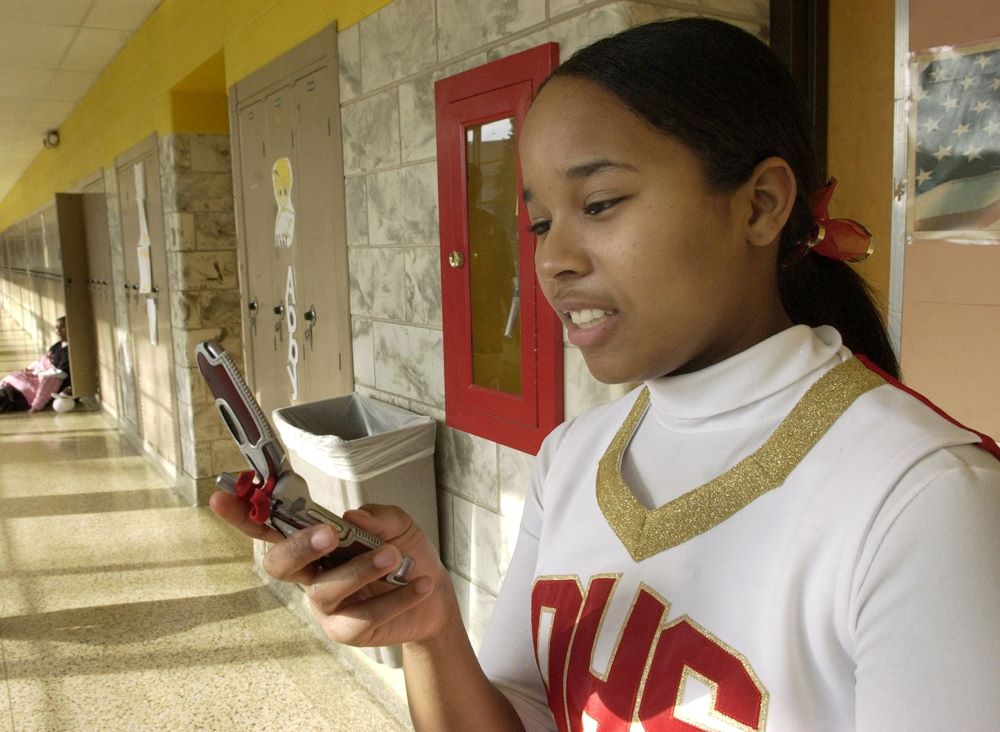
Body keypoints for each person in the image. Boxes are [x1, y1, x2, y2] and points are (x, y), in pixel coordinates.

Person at [211, 18, 1000, 730]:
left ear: (760, 205)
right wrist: (429, 628)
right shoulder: (573, 457)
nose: (553, 260)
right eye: (542, 222)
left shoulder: (922, 498)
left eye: (601, 202)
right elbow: (523, 715)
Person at [0, 316, 71, 413]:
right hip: (33, 377)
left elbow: (59, 374)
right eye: (57, 327)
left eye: (63, 327)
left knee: (9, 398)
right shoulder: (58, 345)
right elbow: (43, 360)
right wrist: (32, 369)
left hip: (36, 385)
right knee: (7, 389)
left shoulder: (69, 351)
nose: (58, 330)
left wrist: (39, 373)